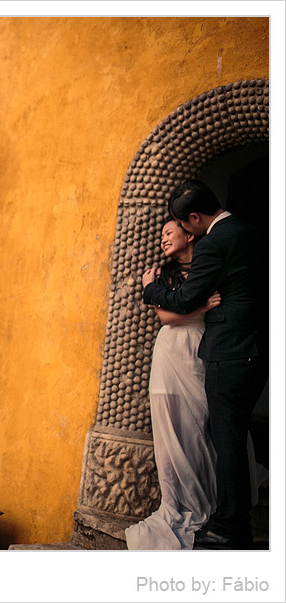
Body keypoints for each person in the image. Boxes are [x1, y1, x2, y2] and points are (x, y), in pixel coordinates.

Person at [142, 179, 268, 550]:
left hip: (229, 350)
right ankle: (228, 516)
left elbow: (183, 301)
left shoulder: (214, 242)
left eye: (180, 225)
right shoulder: (251, 231)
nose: (178, 232)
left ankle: (232, 525)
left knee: (226, 439)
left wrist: (150, 289)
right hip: (255, 346)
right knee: (228, 434)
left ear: (193, 220)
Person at [126, 220, 221, 549]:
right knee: (173, 427)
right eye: (163, 234)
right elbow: (166, 317)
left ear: (190, 233)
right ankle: (180, 500)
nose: (164, 238)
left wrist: (196, 309)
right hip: (170, 351)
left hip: (200, 349)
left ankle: (211, 500)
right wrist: (204, 306)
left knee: (201, 426)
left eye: (170, 232)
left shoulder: (208, 266)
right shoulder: (160, 275)